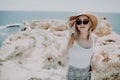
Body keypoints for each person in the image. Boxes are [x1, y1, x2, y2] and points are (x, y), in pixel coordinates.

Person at [67, 12, 98, 80]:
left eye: (85, 21)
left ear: (90, 24)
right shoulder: (72, 38)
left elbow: (91, 54)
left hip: (87, 72)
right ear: (75, 24)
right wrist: (69, 33)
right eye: (78, 22)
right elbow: (61, 54)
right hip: (73, 73)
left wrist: (90, 65)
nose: (82, 24)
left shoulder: (94, 38)